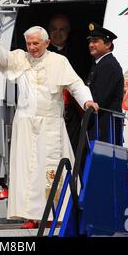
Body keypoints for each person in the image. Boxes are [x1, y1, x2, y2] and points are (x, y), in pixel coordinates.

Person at [0, 26, 99, 228]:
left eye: (36, 43)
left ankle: (57, 215)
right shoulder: (20, 58)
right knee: (27, 172)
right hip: (25, 125)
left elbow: (76, 85)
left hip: (50, 125)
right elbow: (3, 57)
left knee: (50, 170)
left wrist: (87, 102)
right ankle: (33, 217)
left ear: (46, 43)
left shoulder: (59, 62)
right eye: (29, 43)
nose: (31, 48)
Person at [48, 14, 85, 155]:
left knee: (73, 150)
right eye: (54, 29)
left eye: (62, 29)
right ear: (48, 31)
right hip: (51, 111)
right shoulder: (40, 53)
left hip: (73, 112)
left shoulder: (79, 53)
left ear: (68, 31)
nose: (58, 33)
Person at [85, 22, 124, 144]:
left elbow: (99, 99)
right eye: (90, 41)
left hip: (104, 128)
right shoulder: (100, 63)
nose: (91, 44)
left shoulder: (108, 65)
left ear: (107, 44)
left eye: (95, 41)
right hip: (100, 126)